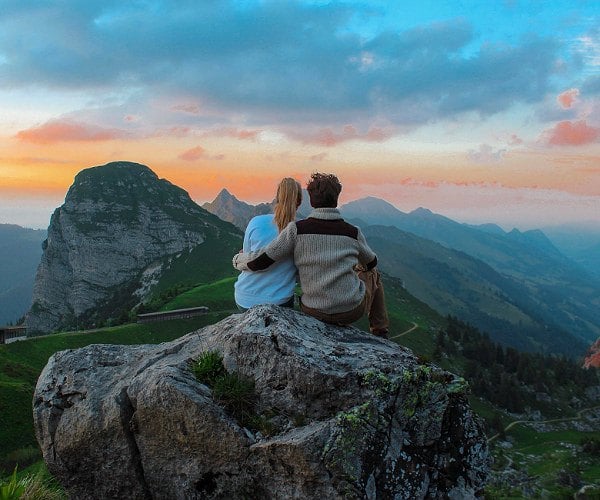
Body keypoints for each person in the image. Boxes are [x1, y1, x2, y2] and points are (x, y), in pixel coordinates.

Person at [233, 172, 389, 337]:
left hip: (313, 310)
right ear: (336, 198)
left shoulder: (296, 230)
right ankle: (380, 331)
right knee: (374, 274)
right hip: (349, 311)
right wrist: (355, 266)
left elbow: (263, 260)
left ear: (311, 200)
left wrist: (238, 259)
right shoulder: (352, 232)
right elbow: (371, 262)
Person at [233, 178, 302, 311]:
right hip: (278, 300)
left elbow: (247, 255)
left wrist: (239, 258)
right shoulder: (301, 230)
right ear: (299, 202)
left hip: (244, 298)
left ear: (277, 198)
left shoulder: (255, 222)